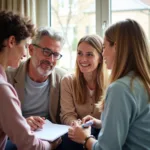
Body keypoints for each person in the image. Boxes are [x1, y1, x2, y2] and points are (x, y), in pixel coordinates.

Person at [68, 19, 150, 150]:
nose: (103, 53)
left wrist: (85, 138)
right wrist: (101, 123)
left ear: (116, 47)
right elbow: (134, 128)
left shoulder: (120, 88)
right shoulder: (141, 81)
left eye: (104, 47)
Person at [0, 10, 61, 150]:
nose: (24, 53)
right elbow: (30, 145)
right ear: (11, 41)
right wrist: (51, 145)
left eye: (56, 54)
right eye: (25, 45)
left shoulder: (63, 78)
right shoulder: (3, 88)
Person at [6, 27, 66, 131]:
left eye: (55, 54)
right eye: (46, 51)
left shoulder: (63, 79)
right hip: (19, 134)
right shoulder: (8, 75)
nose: (51, 60)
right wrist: (22, 123)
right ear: (31, 50)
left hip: (51, 136)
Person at [59, 34, 108, 150]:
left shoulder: (112, 83)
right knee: (67, 139)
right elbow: (67, 115)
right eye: (79, 53)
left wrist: (97, 123)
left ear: (100, 57)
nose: (83, 59)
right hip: (78, 132)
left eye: (89, 54)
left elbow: (113, 121)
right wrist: (77, 125)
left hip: (103, 132)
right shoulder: (68, 81)